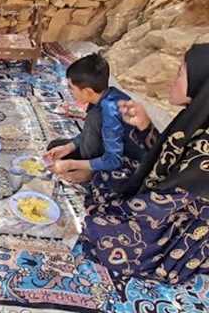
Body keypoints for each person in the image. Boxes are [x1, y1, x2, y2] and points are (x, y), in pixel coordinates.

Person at [81, 43, 209, 284]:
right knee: (113, 174)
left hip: (179, 225)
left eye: (181, 73)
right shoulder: (196, 116)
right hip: (163, 197)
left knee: (100, 228)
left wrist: (115, 209)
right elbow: (166, 159)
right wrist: (145, 126)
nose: (173, 79)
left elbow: (166, 200)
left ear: (201, 82)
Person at [45, 54, 145, 182]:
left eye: (71, 88)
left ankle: (92, 174)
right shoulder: (103, 96)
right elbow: (89, 132)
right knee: (56, 148)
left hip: (127, 163)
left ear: (87, 91)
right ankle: (87, 168)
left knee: (66, 166)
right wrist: (68, 148)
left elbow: (114, 160)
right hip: (105, 145)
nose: (70, 92)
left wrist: (71, 164)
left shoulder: (109, 112)